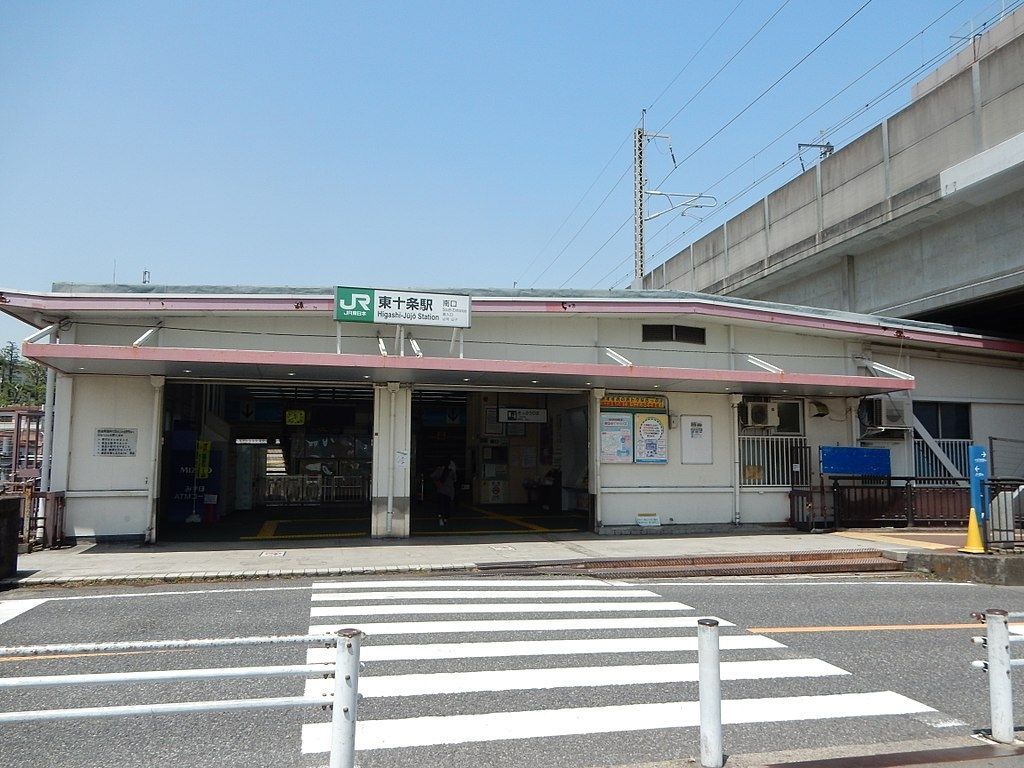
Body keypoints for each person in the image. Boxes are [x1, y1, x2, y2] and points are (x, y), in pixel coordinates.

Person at [431, 458, 457, 527]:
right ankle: (445, 518)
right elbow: (455, 480)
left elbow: (432, 476)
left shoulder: (438, 470)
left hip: (440, 491)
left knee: (440, 505)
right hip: (449, 492)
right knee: (447, 506)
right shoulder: (451, 472)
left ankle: (440, 517)